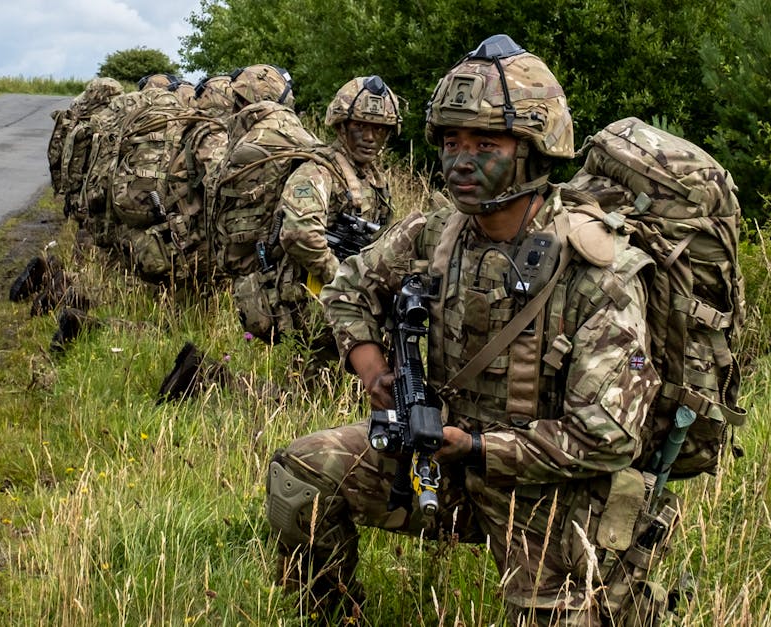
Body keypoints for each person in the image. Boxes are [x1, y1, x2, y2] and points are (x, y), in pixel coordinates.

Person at [265, 35, 679, 626]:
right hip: (445, 461)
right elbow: (345, 289)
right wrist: (375, 371)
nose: (461, 160)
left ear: (534, 153)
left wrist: (479, 447)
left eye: (485, 143)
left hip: (554, 496)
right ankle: (333, 615)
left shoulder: (596, 269)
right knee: (299, 475)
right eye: (452, 142)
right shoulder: (437, 233)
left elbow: (605, 440)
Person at [232, 75, 400, 365]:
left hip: (340, 297)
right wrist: (345, 280)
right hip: (308, 298)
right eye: (360, 127)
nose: (371, 137)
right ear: (341, 126)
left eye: (379, 129)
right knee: (312, 389)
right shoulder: (317, 171)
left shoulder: (373, 179)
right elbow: (299, 234)